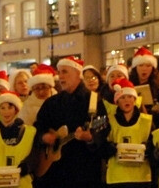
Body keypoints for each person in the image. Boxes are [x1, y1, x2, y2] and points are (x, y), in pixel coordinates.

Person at [34, 56, 108, 188]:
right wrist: (44, 137)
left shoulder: (93, 101)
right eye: (59, 72)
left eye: (65, 72)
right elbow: (38, 126)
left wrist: (90, 137)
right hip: (55, 171)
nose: (60, 76)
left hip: (84, 170)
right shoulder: (52, 102)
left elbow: (102, 126)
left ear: (78, 74)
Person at [103, 77, 153, 187]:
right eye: (123, 98)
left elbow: (155, 143)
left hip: (141, 177)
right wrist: (112, 148)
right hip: (117, 177)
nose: (127, 100)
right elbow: (102, 145)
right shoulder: (109, 120)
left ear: (135, 100)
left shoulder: (147, 120)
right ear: (117, 102)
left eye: (130, 97)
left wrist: (147, 149)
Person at [0, 90, 37, 188]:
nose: (6, 111)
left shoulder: (30, 132)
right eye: (2, 108)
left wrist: (27, 166)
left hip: (22, 183)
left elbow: (34, 155)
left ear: (16, 109)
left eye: (10, 107)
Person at [130, 47, 159, 115]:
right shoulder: (129, 84)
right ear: (135, 68)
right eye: (141, 65)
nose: (144, 69)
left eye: (148, 66)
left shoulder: (158, 87)